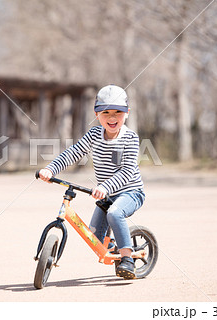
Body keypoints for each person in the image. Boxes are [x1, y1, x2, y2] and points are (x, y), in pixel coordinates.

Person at [38, 84, 145, 279]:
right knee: (94, 236)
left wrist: (105, 186)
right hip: (107, 194)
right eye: (106, 113)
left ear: (127, 113)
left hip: (130, 192)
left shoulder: (130, 138)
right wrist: (50, 169)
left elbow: (128, 170)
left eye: (117, 113)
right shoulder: (94, 135)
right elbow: (73, 153)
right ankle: (114, 246)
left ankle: (127, 259)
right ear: (97, 114)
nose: (112, 118)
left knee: (115, 213)